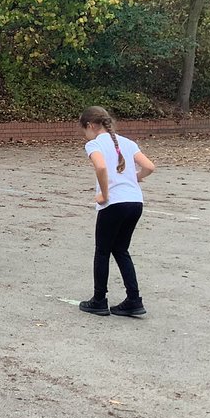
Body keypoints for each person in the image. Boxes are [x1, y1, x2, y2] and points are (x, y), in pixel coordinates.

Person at [78, 106, 156, 317]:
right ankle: (133, 299)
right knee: (121, 249)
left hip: (115, 203)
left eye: (84, 129)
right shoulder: (128, 143)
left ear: (91, 125)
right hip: (135, 202)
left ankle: (99, 299)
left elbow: (101, 167)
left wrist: (104, 194)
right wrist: (134, 178)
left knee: (102, 251)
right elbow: (150, 166)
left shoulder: (94, 144)